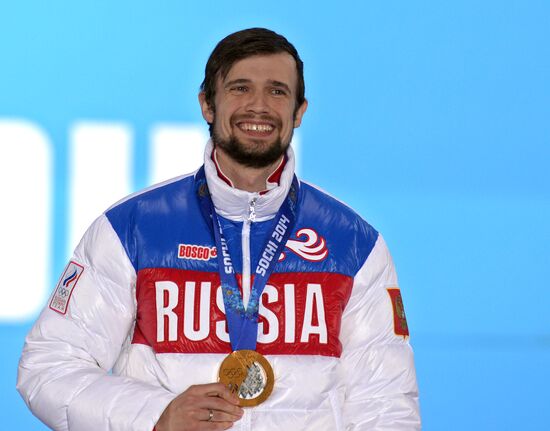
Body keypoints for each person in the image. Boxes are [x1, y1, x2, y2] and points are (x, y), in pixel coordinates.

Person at [17, 28, 420, 431]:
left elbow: (385, 407)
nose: (258, 106)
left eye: (277, 91)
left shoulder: (353, 242)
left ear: (299, 111)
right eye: (240, 88)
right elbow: (49, 367)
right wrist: (156, 415)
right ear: (207, 104)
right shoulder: (133, 228)